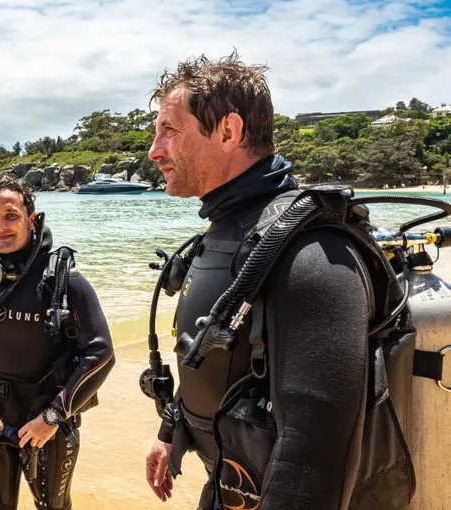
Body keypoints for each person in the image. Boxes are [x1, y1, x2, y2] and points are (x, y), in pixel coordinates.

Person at [142, 51, 414, 509]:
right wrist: (171, 432)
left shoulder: (314, 254)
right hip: (227, 488)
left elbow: (314, 458)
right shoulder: (229, 233)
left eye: (169, 130)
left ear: (228, 131)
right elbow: (216, 362)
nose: (154, 150)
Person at [0, 176, 116, 510]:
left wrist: (53, 417)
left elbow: (101, 353)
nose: (0, 227)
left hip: (46, 427)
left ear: (32, 217)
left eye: (11, 215)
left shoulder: (63, 279)